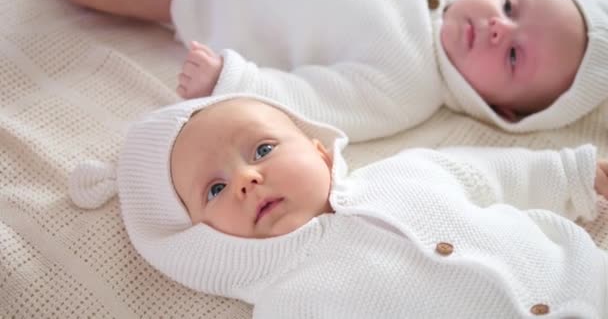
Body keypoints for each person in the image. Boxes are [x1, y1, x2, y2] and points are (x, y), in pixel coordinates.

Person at [69, 93, 608, 318]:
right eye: (214, 190)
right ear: (201, 240)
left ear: (320, 151)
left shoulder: (406, 171)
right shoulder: (288, 303)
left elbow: (493, 173)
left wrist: (573, 175)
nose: (247, 179)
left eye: (261, 150)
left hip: (581, 282)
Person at [56, 0, 608, 140]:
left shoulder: (406, 86)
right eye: (511, 6)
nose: (496, 26)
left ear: (502, 110)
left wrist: (233, 79)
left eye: (513, 54)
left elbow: (315, 106)